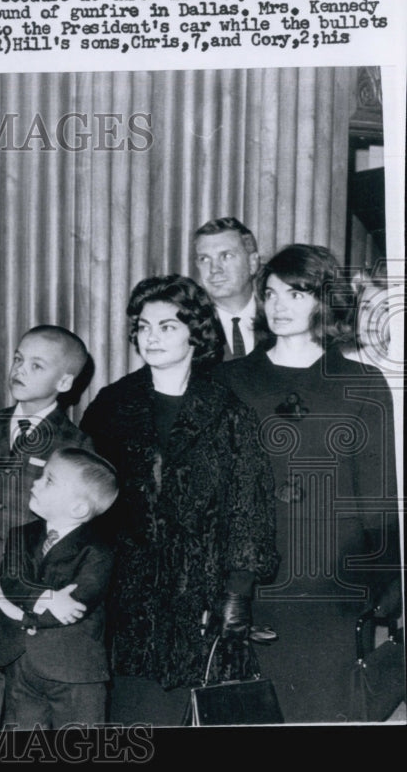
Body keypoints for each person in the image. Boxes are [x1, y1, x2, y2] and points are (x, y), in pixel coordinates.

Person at [79, 274, 278, 725]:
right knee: (133, 721)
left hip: (203, 600)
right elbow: (86, 501)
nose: (151, 337)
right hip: (125, 599)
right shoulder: (111, 406)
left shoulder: (228, 410)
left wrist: (237, 598)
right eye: (143, 326)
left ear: (195, 332)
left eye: (167, 326)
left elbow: (248, 509)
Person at [215, 244, 401, 723]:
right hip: (249, 574)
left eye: (296, 294)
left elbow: (375, 489)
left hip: (330, 576)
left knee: (325, 713)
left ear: (324, 300)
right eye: (271, 294)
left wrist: (387, 580)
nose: (279, 306)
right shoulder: (229, 379)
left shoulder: (361, 382)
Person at [0, 324, 94, 730]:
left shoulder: (74, 444)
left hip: (32, 582)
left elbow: (75, 529)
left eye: (36, 364)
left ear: (64, 382)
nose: (20, 370)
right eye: (17, 359)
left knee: (26, 676)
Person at [0, 447, 118, 730]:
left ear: (78, 508)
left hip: (73, 670)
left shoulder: (99, 550)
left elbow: (75, 607)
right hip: (20, 663)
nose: (35, 482)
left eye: (49, 480)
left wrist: (22, 614)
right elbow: (11, 581)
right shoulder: (20, 535)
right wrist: (44, 596)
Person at [192, 217, 265, 360]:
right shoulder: (189, 327)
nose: (214, 269)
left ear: (252, 263)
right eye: (204, 259)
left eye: (226, 256)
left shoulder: (278, 321)